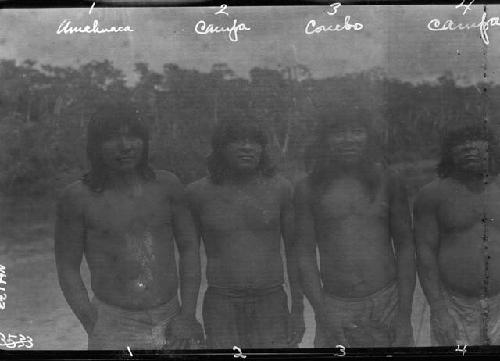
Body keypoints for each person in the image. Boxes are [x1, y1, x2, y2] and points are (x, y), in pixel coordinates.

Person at [54, 102, 203, 350]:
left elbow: (189, 249)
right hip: (114, 322)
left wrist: (187, 315)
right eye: (112, 138)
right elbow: (67, 267)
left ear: (144, 141)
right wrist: (91, 321)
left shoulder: (167, 185)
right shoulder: (78, 197)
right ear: (95, 146)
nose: (125, 146)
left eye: (132, 136)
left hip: (172, 316)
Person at [295, 106, 415, 347]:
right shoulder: (308, 188)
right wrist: (322, 312)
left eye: (356, 131)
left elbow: (405, 247)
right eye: (338, 132)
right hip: (336, 304)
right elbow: (304, 256)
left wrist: (404, 317)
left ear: (368, 136)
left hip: (388, 301)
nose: (348, 139)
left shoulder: (389, 180)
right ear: (325, 139)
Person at [186, 115, 305, 348]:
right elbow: (189, 259)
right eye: (237, 140)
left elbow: (295, 253)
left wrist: (298, 310)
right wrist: (188, 315)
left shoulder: (280, 188)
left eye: (255, 141)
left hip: (271, 299)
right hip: (221, 302)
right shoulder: (197, 193)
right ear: (221, 148)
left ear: (263, 148)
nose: (247, 147)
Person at [414, 124, 500, 346]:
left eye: (476, 141)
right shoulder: (432, 195)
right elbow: (425, 256)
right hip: (454, 305)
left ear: (492, 147)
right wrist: (439, 310)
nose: (468, 148)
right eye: (460, 143)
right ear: (449, 153)